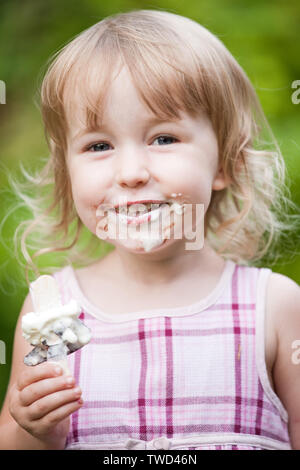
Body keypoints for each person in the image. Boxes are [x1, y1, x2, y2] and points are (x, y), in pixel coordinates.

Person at [0, 9, 300, 451]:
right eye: (98, 145)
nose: (131, 172)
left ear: (226, 164)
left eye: (163, 138)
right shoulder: (52, 309)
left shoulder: (274, 307)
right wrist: (36, 430)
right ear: (68, 176)